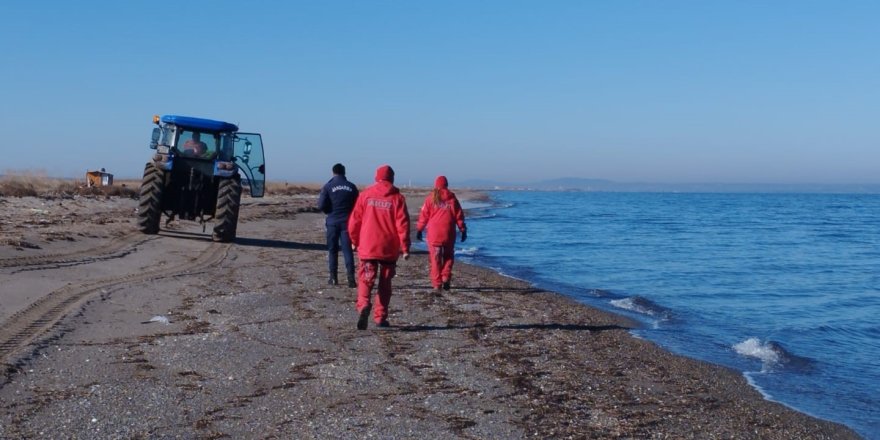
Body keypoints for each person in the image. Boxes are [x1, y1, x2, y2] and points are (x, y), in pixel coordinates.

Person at [347, 165, 411, 330]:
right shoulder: (397, 198)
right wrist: (405, 248)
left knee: (365, 279)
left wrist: (354, 240)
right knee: (385, 283)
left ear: (377, 177)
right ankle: (380, 317)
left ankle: (363, 306)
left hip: (368, 246)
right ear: (392, 178)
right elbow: (402, 225)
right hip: (388, 248)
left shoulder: (366, 195)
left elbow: (355, 220)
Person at [416, 176, 467, 292]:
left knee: (435, 259)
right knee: (448, 256)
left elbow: (424, 216)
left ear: (436, 185)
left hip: (434, 234)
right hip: (448, 233)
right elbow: (459, 216)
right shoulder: (452, 199)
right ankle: (445, 277)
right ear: (446, 185)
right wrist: (463, 230)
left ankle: (437, 284)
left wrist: (419, 229)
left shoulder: (431, 199)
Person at [317, 163, 359, 287]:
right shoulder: (352, 187)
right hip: (347, 223)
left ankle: (333, 277)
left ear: (333, 172)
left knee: (332, 250)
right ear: (344, 172)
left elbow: (321, 205)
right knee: (347, 251)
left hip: (332, 222)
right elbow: (358, 206)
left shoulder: (328, 186)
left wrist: (329, 211)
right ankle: (351, 279)